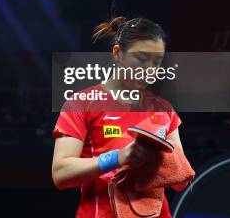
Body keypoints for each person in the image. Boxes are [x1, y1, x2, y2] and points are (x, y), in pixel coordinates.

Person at [51, 16, 184, 218]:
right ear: (118, 54)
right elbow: (61, 173)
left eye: (156, 62)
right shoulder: (81, 104)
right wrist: (118, 158)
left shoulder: (164, 110)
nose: (149, 70)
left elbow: (181, 180)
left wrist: (161, 161)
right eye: (141, 58)